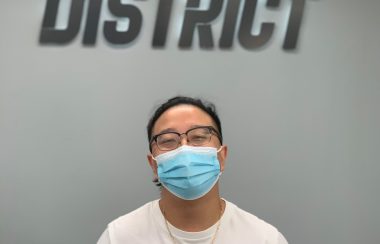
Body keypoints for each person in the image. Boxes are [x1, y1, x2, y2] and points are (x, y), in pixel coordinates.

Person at [97, 96, 288, 244]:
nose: (184, 148)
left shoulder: (264, 239)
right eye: (168, 140)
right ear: (154, 164)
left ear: (222, 156)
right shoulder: (119, 237)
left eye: (198, 137)